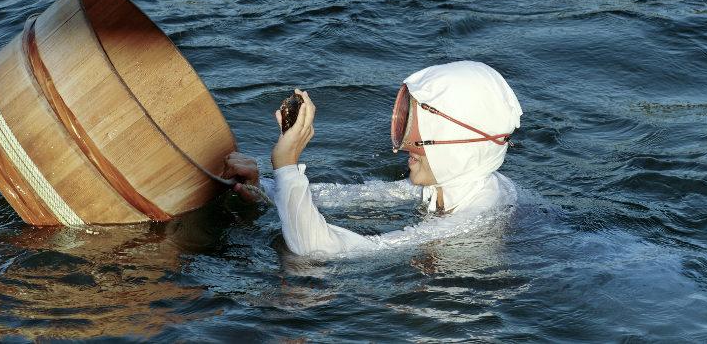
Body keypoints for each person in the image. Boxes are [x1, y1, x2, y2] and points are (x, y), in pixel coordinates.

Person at [224, 61, 523, 257]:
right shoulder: (451, 182)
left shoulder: (475, 218)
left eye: (415, 128)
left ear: (452, 140)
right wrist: (264, 188)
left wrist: (287, 166)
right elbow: (345, 196)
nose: (402, 145)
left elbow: (319, 250)